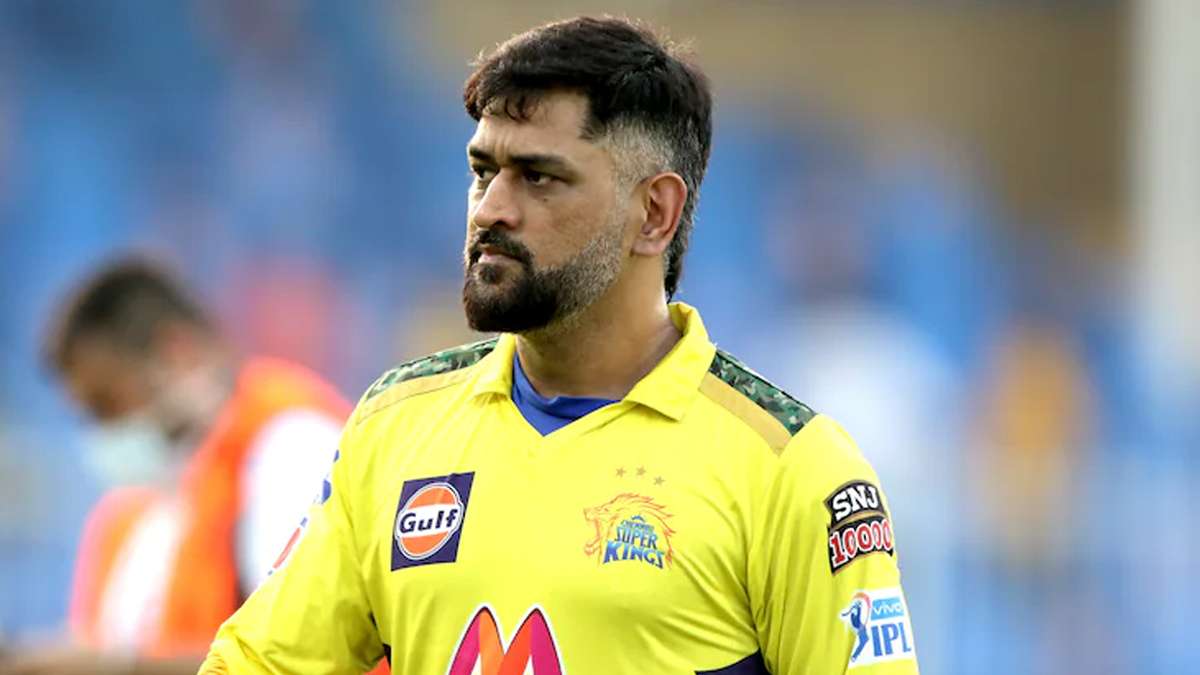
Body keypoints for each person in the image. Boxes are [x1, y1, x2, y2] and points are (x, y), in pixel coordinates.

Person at [200, 16, 919, 675]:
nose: (491, 209)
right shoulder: (396, 426)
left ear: (655, 212)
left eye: (539, 177)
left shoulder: (790, 466)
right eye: (483, 172)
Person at [0, 260, 355, 675]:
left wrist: (109, 669)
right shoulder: (140, 504)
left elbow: (301, 653)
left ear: (177, 353)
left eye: (108, 403)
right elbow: (117, 642)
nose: (105, 433)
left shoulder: (289, 443)